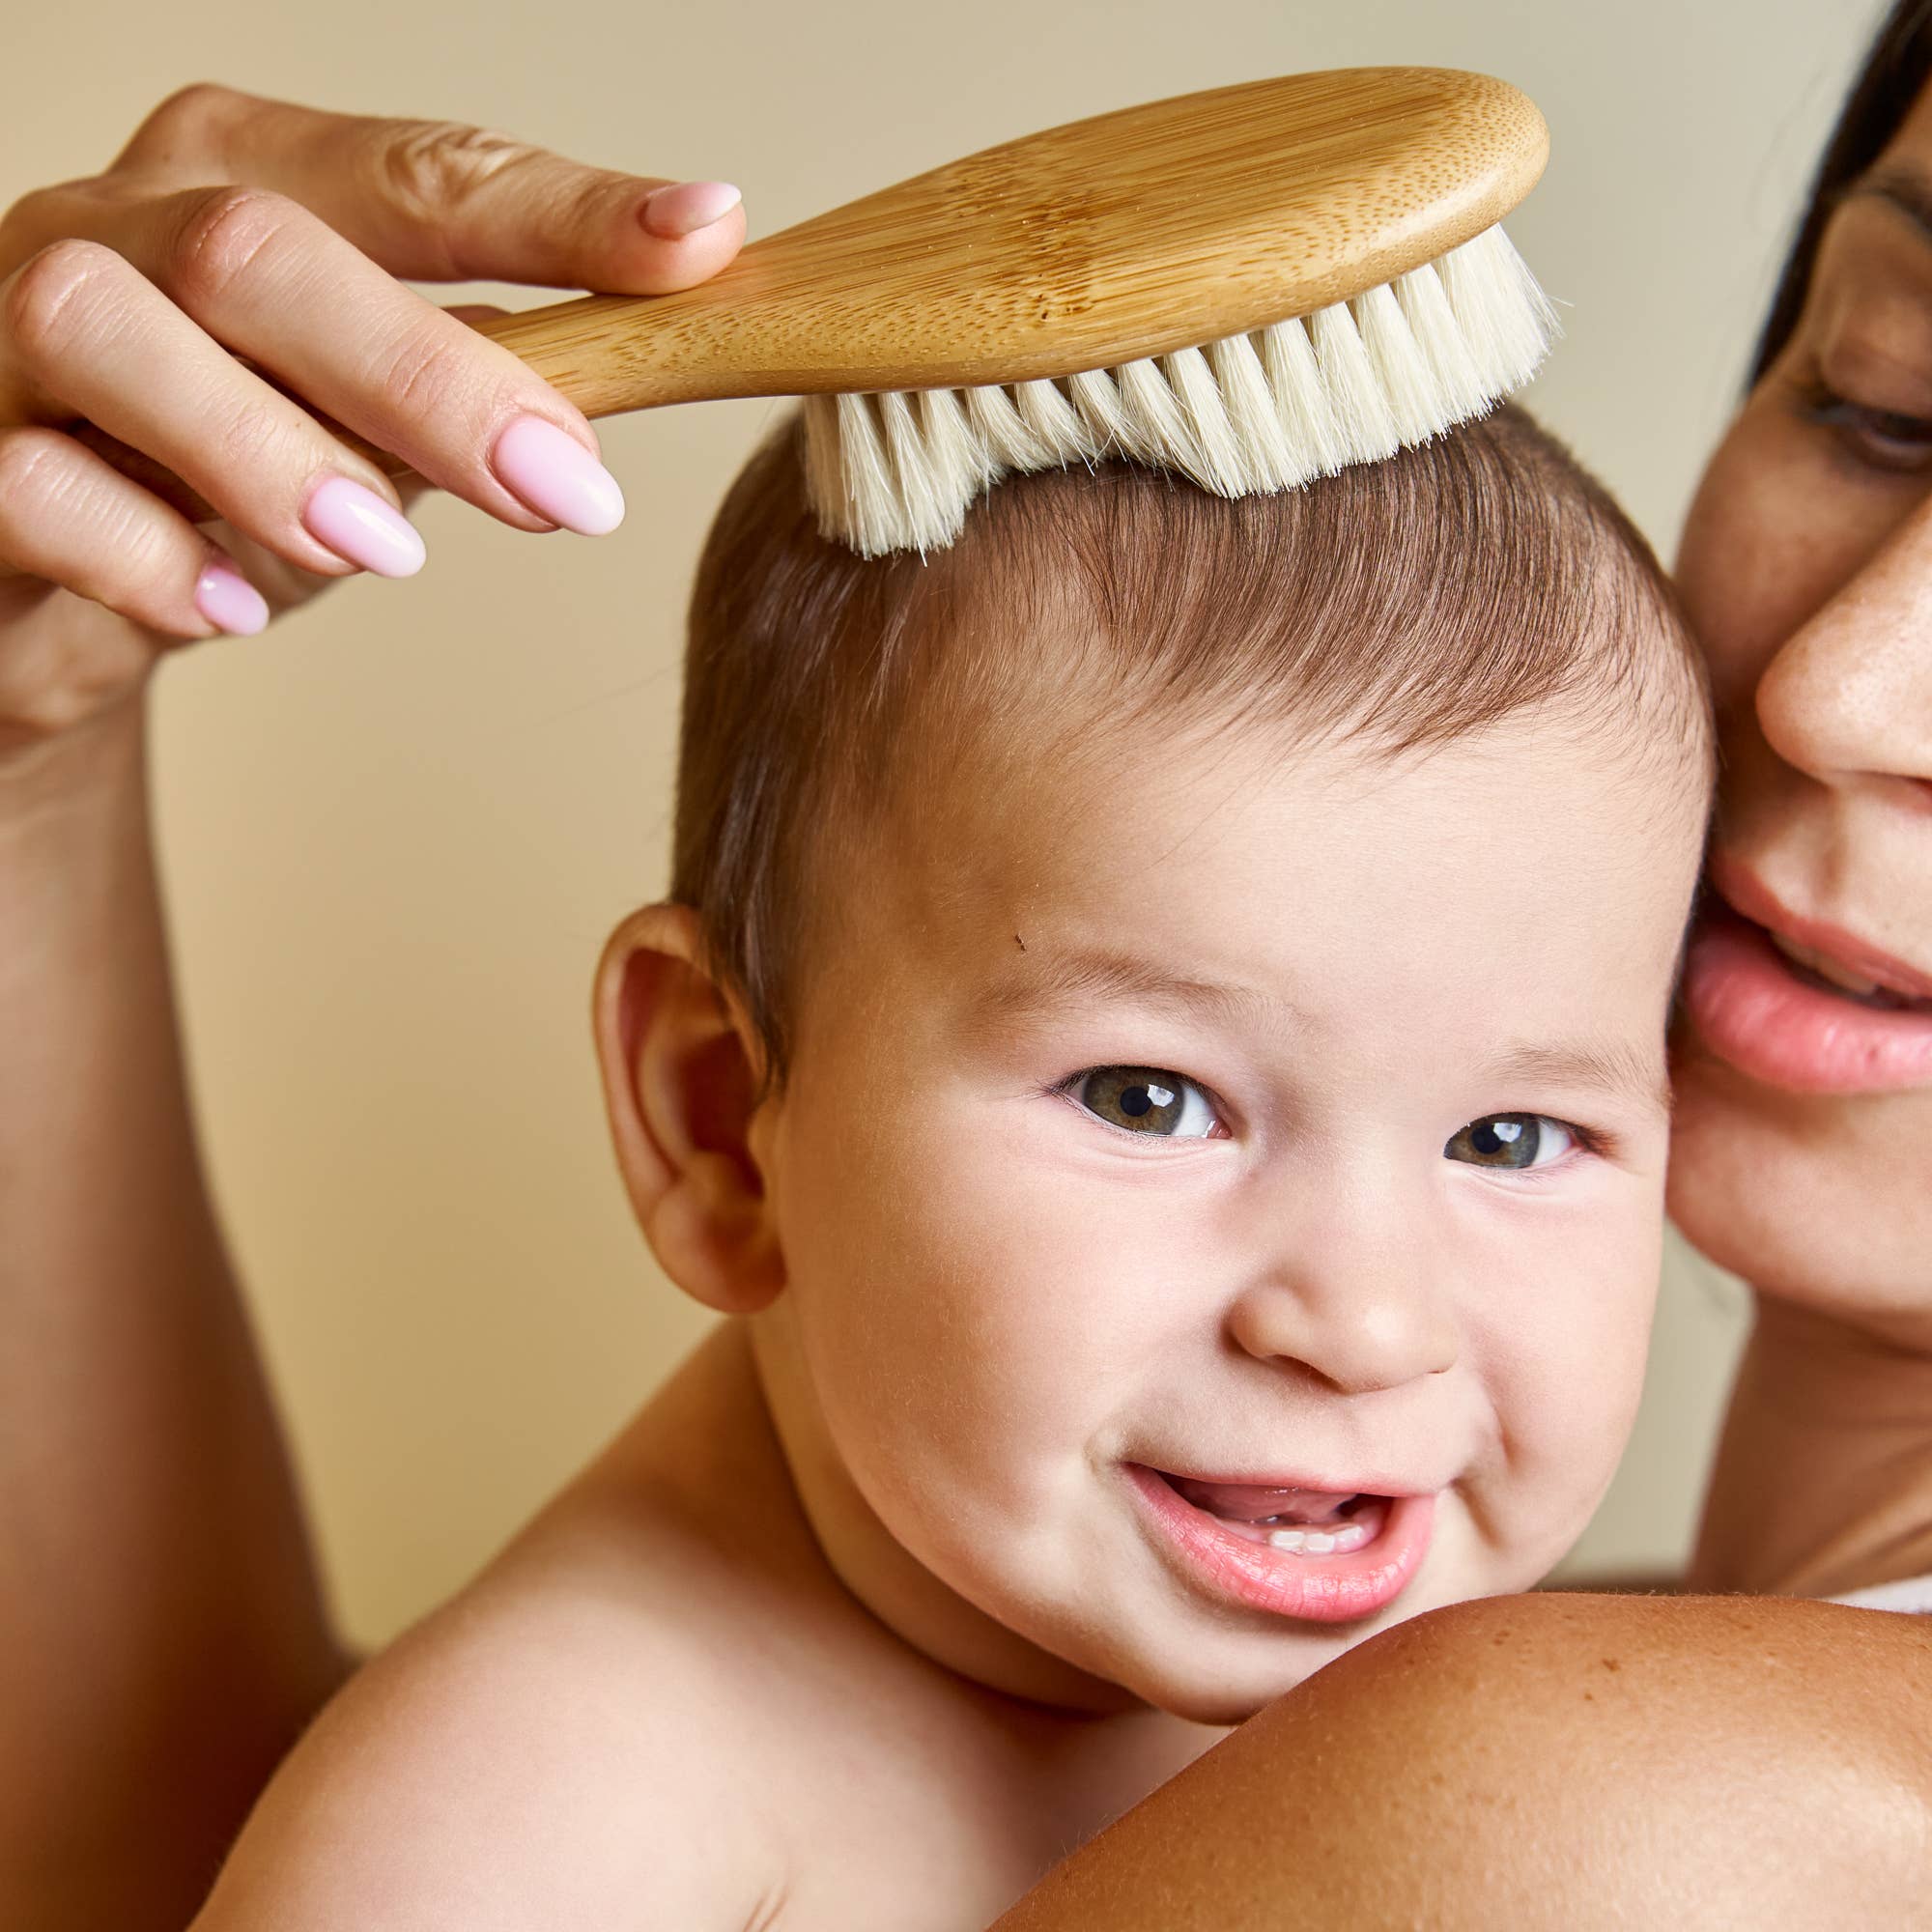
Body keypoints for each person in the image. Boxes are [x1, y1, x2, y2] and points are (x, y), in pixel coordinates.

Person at [5, 6, 1932, 1917]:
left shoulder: (1586, 1793)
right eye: (1885, 399)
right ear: (715, 1110)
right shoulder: (567, 1789)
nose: (1358, 1323)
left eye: (1511, 1138)